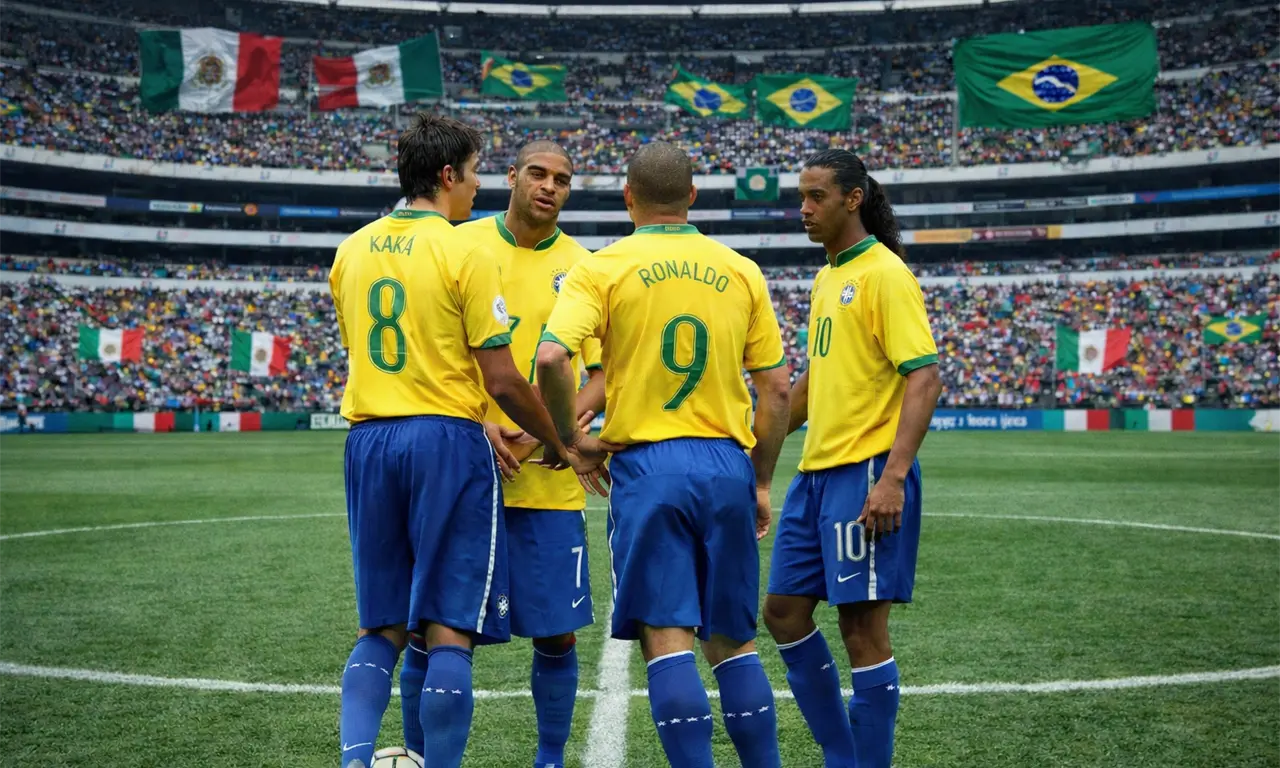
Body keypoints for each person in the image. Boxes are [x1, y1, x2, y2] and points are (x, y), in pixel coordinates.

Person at [535, 141, 792, 768]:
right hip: (727, 462)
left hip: (649, 468)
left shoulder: (601, 267)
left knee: (668, 636)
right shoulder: (741, 270)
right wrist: (760, 480)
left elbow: (549, 357)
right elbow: (779, 388)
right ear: (693, 198)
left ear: (628, 198)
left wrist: (569, 439)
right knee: (733, 641)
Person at [330, 113, 575, 768]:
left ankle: (356, 760)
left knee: (379, 628)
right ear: (447, 175)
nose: (475, 188)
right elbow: (500, 376)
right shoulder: (466, 248)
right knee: (447, 630)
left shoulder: (351, 249)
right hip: (444, 441)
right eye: (471, 174)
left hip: (368, 441)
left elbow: (365, 353)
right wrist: (555, 436)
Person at [395, 140, 606, 768]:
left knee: (558, 632)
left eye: (562, 180)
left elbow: (598, 374)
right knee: (428, 629)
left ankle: (549, 759)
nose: (549, 186)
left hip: (544, 478)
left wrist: (550, 432)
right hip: (462, 469)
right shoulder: (460, 243)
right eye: (537, 174)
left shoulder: (585, 266)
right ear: (511, 178)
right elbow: (431, 356)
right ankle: (415, 752)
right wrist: (476, 421)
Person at [762, 149, 942, 768]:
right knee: (783, 612)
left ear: (853, 198)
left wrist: (891, 478)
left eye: (816, 197)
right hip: (815, 476)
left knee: (862, 631)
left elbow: (924, 377)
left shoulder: (884, 274)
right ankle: (842, 752)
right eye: (801, 198)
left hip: (865, 472)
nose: (803, 210)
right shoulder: (827, 275)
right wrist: (753, 440)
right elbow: (812, 387)